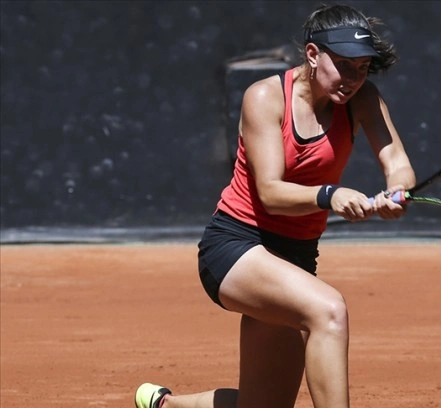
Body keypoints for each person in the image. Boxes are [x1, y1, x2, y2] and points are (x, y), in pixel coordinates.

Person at [134, 3, 416, 408]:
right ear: (313, 54)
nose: (354, 78)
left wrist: (397, 192)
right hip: (236, 247)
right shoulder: (265, 96)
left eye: (362, 67)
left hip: (295, 257)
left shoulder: (363, 99)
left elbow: (398, 163)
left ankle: (163, 404)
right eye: (344, 65)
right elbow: (270, 193)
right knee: (329, 311)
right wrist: (330, 195)